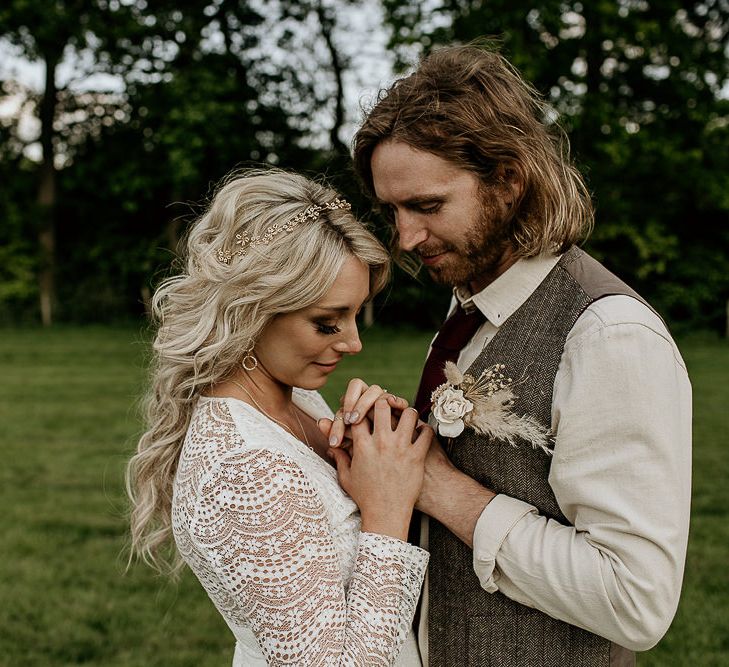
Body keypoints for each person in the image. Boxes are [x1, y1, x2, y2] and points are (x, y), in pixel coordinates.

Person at [332, 44, 692, 666]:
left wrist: (441, 488)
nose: (406, 239)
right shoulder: (471, 307)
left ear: (507, 180)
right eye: (392, 209)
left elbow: (637, 599)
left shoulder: (608, 335)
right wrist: (394, 446)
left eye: (427, 206)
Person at [126, 169, 434, 666]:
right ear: (252, 311)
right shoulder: (243, 471)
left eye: (357, 314)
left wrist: (380, 448)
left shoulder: (297, 402)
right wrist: (387, 512)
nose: (354, 344)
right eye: (326, 323)